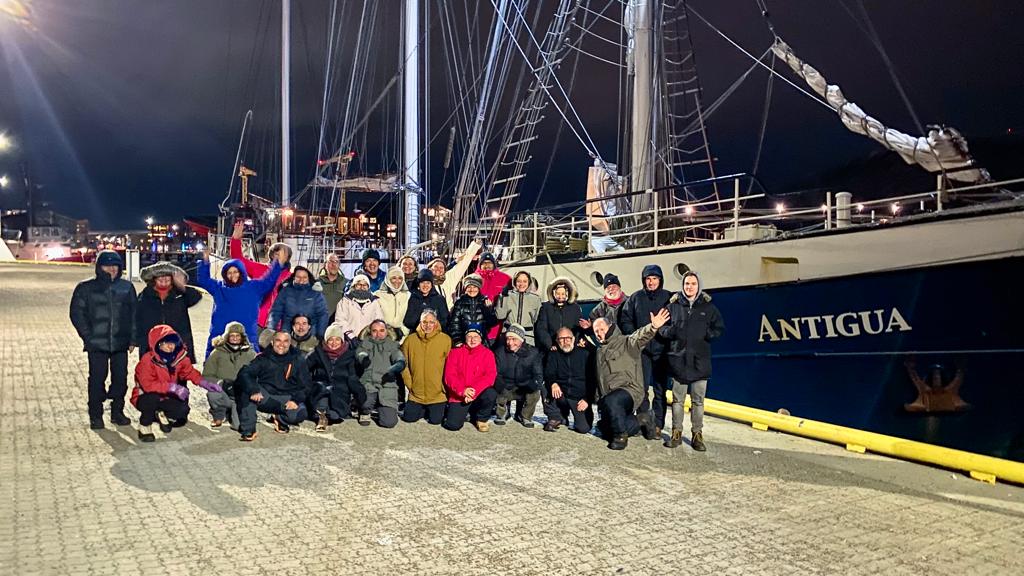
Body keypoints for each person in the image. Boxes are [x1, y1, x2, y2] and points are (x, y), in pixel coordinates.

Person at [70, 250, 138, 430]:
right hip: (96, 344)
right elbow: (77, 314)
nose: (112, 269)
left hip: (120, 342)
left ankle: (117, 412)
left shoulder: (126, 287)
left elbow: (134, 314)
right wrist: (88, 336)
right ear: (99, 267)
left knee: (120, 379)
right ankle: (96, 415)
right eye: (107, 265)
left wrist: (133, 339)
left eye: (115, 265)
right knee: (97, 379)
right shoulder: (85, 288)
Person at [659, 271, 724, 451]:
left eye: (693, 284)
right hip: (678, 361)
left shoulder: (708, 307)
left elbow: (719, 328)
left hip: (700, 362)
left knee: (698, 401)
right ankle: (676, 433)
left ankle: (697, 435)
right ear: (683, 286)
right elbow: (661, 327)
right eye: (687, 283)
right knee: (677, 400)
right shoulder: (673, 306)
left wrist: (706, 335)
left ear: (698, 286)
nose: (689, 287)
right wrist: (670, 332)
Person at [592, 309, 670, 450]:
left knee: (613, 402)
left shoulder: (626, 342)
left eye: (601, 329)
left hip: (629, 390)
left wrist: (652, 327)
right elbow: (600, 378)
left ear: (610, 327)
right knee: (604, 429)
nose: (598, 333)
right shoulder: (599, 352)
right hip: (609, 397)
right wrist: (599, 399)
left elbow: (639, 337)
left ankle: (621, 437)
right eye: (596, 331)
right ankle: (642, 419)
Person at [130, 325, 221, 442]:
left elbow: (189, 372)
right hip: (144, 396)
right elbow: (148, 385)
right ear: (157, 343)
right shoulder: (147, 360)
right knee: (152, 398)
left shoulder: (179, 357)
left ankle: (160, 413)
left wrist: (204, 382)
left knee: (181, 411)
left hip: (167, 396)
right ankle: (145, 426)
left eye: (173, 343)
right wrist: (172, 387)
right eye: (166, 343)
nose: (170, 346)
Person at [196, 249, 285, 358]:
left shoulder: (254, 287)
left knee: (249, 363)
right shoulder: (218, 287)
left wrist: (277, 263)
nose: (232, 275)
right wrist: (205, 261)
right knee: (215, 361)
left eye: (235, 272)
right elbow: (203, 280)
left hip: (247, 335)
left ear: (242, 272)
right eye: (229, 273)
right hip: (220, 334)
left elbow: (269, 280)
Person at [619, 264, 672, 439]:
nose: (651, 282)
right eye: (648, 279)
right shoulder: (635, 298)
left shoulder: (668, 298)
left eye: (654, 279)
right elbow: (625, 319)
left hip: (662, 350)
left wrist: (666, 334)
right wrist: (635, 336)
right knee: (641, 389)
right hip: (641, 351)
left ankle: (657, 424)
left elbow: (676, 320)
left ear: (660, 280)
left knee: (660, 389)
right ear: (644, 281)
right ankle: (644, 422)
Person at [235, 331, 312, 440]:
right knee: (245, 388)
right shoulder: (263, 358)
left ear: (290, 343)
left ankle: (279, 419)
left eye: (285, 341)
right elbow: (245, 373)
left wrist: (295, 400)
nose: (281, 344)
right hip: (266, 397)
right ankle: (249, 429)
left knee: (300, 414)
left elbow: (306, 385)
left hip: (286, 399)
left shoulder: (298, 359)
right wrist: (253, 389)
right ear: (272, 342)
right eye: (278, 340)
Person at [134, 262, 202, 363]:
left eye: (167, 277)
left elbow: (196, 297)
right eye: (160, 276)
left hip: (178, 344)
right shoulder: (144, 296)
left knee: (178, 371)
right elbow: (137, 319)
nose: (164, 279)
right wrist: (137, 341)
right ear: (153, 279)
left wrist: (182, 287)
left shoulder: (180, 294)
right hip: (151, 346)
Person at [229, 220, 292, 329]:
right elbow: (237, 259)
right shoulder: (260, 269)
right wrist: (235, 240)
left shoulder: (292, 277)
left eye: (282, 254)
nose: (278, 256)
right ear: (271, 255)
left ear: (288, 258)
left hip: (281, 327)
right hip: (257, 323)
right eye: (276, 253)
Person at [306, 325, 363, 430]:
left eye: (337, 339)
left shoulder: (350, 355)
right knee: (322, 395)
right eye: (330, 340)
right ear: (326, 341)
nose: (334, 343)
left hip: (340, 390)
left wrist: (360, 396)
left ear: (342, 341)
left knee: (336, 415)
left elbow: (353, 377)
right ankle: (321, 414)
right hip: (321, 387)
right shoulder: (318, 353)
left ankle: (325, 414)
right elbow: (303, 368)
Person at [442, 324, 498, 432]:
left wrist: (474, 391)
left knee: (491, 394)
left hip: (478, 393)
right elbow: (449, 376)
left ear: (481, 338)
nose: (472, 340)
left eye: (476, 336)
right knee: (452, 425)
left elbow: (490, 376)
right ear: (465, 337)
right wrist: (462, 391)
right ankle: (466, 413)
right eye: (469, 336)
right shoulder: (455, 353)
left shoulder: (488, 354)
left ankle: (481, 419)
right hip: (460, 395)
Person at [201, 321, 256, 430]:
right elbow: (206, 376)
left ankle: (235, 413)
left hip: (241, 395)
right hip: (223, 392)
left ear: (242, 337)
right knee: (213, 394)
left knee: (238, 426)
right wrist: (220, 383)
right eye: (232, 335)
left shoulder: (250, 354)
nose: (235, 338)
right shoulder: (217, 353)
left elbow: (257, 375)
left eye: (237, 335)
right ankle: (219, 415)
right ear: (227, 337)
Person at [400, 310, 451, 425]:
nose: (428, 325)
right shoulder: (410, 340)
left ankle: (433, 409)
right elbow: (403, 365)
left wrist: (443, 387)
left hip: (437, 394)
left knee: (435, 420)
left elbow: (450, 366)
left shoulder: (445, 340)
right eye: (424, 322)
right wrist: (410, 384)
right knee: (409, 418)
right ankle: (422, 409)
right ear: (420, 323)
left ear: (436, 322)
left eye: (431, 322)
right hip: (416, 394)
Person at [543, 327, 595, 434]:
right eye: (561, 339)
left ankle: (577, 418)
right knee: (545, 387)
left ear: (573, 339)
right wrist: (553, 383)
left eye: (568, 338)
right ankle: (556, 417)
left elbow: (593, 380)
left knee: (583, 428)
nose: (565, 341)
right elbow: (549, 373)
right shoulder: (554, 354)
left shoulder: (585, 354)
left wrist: (587, 399)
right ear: (557, 341)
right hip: (561, 394)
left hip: (579, 398)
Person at [356, 320, 407, 428]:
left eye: (381, 330)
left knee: (389, 422)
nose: (378, 334)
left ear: (386, 331)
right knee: (365, 402)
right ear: (370, 332)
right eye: (374, 331)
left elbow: (397, 355)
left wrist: (399, 363)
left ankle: (381, 408)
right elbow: (360, 353)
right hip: (369, 383)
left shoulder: (392, 345)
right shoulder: (365, 344)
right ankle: (364, 411)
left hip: (386, 384)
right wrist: (363, 359)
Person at [493, 324, 543, 428]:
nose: (510, 342)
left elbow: (538, 374)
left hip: (524, 385)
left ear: (521, 339)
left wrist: (534, 383)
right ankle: (502, 413)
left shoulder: (533, 352)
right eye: (508, 339)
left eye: (514, 339)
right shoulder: (500, 352)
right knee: (497, 388)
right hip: (506, 385)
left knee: (535, 393)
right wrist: (499, 383)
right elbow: (496, 372)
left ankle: (525, 416)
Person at [267, 265, 329, 338]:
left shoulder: (316, 293)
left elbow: (322, 314)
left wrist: (320, 334)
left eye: (304, 277)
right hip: (288, 331)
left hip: (311, 333)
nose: (301, 280)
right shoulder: (285, 291)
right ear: (294, 277)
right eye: (298, 277)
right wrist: (271, 330)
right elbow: (276, 311)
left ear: (309, 278)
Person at [535, 277, 588, 353]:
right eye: (558, 294)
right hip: (552, 348)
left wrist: (576, 342)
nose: (560, 296)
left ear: (567, 294)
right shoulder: (546, 308)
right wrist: (549, 345)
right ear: (553, 293)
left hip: (570, 346)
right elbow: (541, 329)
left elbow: (578, 329)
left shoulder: (575, 308)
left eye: (563, 294)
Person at [426, 239, 482, 310]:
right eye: (435, 267)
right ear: (430, 268)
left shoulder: (449, 279)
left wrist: (475, 246)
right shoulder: (423, 281)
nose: (438, 269)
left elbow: (464, 263)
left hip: (447, 313)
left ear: (444, 271)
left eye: (441, 268)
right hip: (428, 315)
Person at [447, 273, 497, 346]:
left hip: (482, 342)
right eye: (469, 287)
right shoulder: (460, 302)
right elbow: (454, 324)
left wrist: (488, 310)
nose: (472, 290)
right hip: (464, 341)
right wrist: (458, 341)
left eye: (475, 287)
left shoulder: (485, 301)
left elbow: (492, 323)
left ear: (479, 288)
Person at [495, 271, 542, 346]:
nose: (521, 284)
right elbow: (500, 316)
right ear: (514, 282)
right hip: (509, 335)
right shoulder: (507, 295)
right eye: (519, 281)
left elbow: (537, 320)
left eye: (525, 281)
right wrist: (503, 297)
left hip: (527, 336)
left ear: (529, 282)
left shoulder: (535, 299)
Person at [334, 274, 385, 341]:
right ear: (354, 286)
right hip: (349, 339)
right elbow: (340, 320)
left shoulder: (374, 302)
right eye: (359, 284)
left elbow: (379, 320)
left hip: (369, 339)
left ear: (368, 287)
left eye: (365, 285)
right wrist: (351, 336)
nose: (362, 287)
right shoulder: (345, 301)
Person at [476, 252, 511, 340]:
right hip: (477, 328)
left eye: (489, 263)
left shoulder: (506, 279)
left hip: (498, 328)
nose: (487, 265)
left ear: (494, 264)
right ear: (480, 265)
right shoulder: (473, 279)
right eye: (484, 263)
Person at [403, 269, 449, 334]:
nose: (425, 285)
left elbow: (445, 321)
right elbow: (408, 321)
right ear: (418, 284)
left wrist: (432, 326)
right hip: (417, 334)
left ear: (431, 284)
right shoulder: (412, 298)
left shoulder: (439, 299)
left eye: (428, 283)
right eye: (422, 282)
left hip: (436, 334)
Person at [376, 266, 411, 341]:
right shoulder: (377, 295)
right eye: (394, 278)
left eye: (400, 278)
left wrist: (404, 330)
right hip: (383, 336)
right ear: (388, 279)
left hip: (403, 336)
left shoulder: (408, 295)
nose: (397, 281)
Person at [315, 253, 347, 323]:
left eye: (336, 262)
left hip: (339, 324)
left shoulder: (346, 283)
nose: (334, 265)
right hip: (321, 323)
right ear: (325, 264)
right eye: (331, 262)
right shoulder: (316, 283)